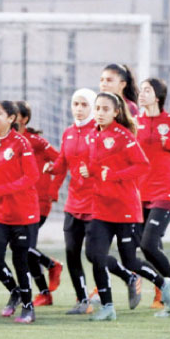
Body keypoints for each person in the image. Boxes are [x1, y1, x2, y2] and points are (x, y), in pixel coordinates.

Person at [83, 92, 170, 321]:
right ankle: (108, 307)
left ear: (116, 112)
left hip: (125, 208)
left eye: (105, 109)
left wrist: (113, 174)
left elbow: (142, 166)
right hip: (101, 208)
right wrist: (89, 171)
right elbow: (99, 168)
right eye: (97, 108)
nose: (100, 113)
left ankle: (163, 283)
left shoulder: (123, 136)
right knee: (96, 256)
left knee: (130, 261)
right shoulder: (93, 135)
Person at [46, 89, 139, 315]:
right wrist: (52, 170)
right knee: (71, 252)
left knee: (94, 255)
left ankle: (126, 278)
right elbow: (63, 161)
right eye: (75, 104)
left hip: (96, 202)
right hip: (73, 203)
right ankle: (82, 300)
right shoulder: (68, 133)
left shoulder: (100, 133)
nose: (79, 109)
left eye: (84, 105)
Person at [136, 78, 170, 314]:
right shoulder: (135, 122)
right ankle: (168, 289)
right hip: (140, 193)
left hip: (165, 192)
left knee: (148, 243)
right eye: (141, 90)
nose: (142, 94)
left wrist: (168, 143)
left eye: (147, 90)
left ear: (158, 96)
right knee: (145, 246)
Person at [0, 100, 38, 324]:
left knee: (20, 261)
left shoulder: (21, 143)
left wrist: (3, 189)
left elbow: (32, 176)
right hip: (1, 213)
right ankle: (14, 291)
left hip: (23, 212)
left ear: (11, 119)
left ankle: (28, 307)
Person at [15, 100, 64, 307]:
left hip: (39, 202)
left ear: (24, 119)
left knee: (25, 247)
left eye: (15, 114)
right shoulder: (8, 140)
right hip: (19, 202)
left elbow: (62, 161)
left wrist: (53, 189)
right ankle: (45, 291)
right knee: (24, 248)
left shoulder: (35, 141)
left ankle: (51, 267)